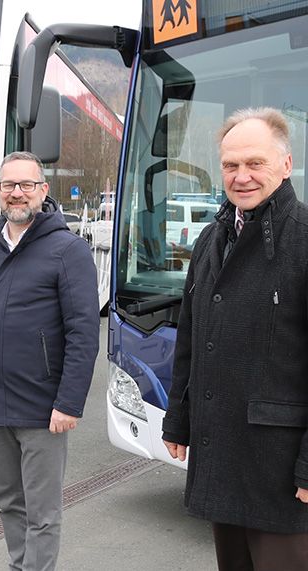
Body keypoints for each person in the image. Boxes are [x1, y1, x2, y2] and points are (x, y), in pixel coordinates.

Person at [162, 107, 308, 570]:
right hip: (221, 454)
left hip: (280, 472)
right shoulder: (211, 239)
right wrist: (177, 419)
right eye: (230, 165)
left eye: (255, 163)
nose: (241, 176)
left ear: (285, 166)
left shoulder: (304, 241)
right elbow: (190, 336)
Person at [0, 151, 100, 570]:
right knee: (8, 502)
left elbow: (83, 332)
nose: (16, 193)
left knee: (42, 511)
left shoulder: (67, 250)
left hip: (43, 408)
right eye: (8, 186)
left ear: (43, 191)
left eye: (26, 185)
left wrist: (69, 402)